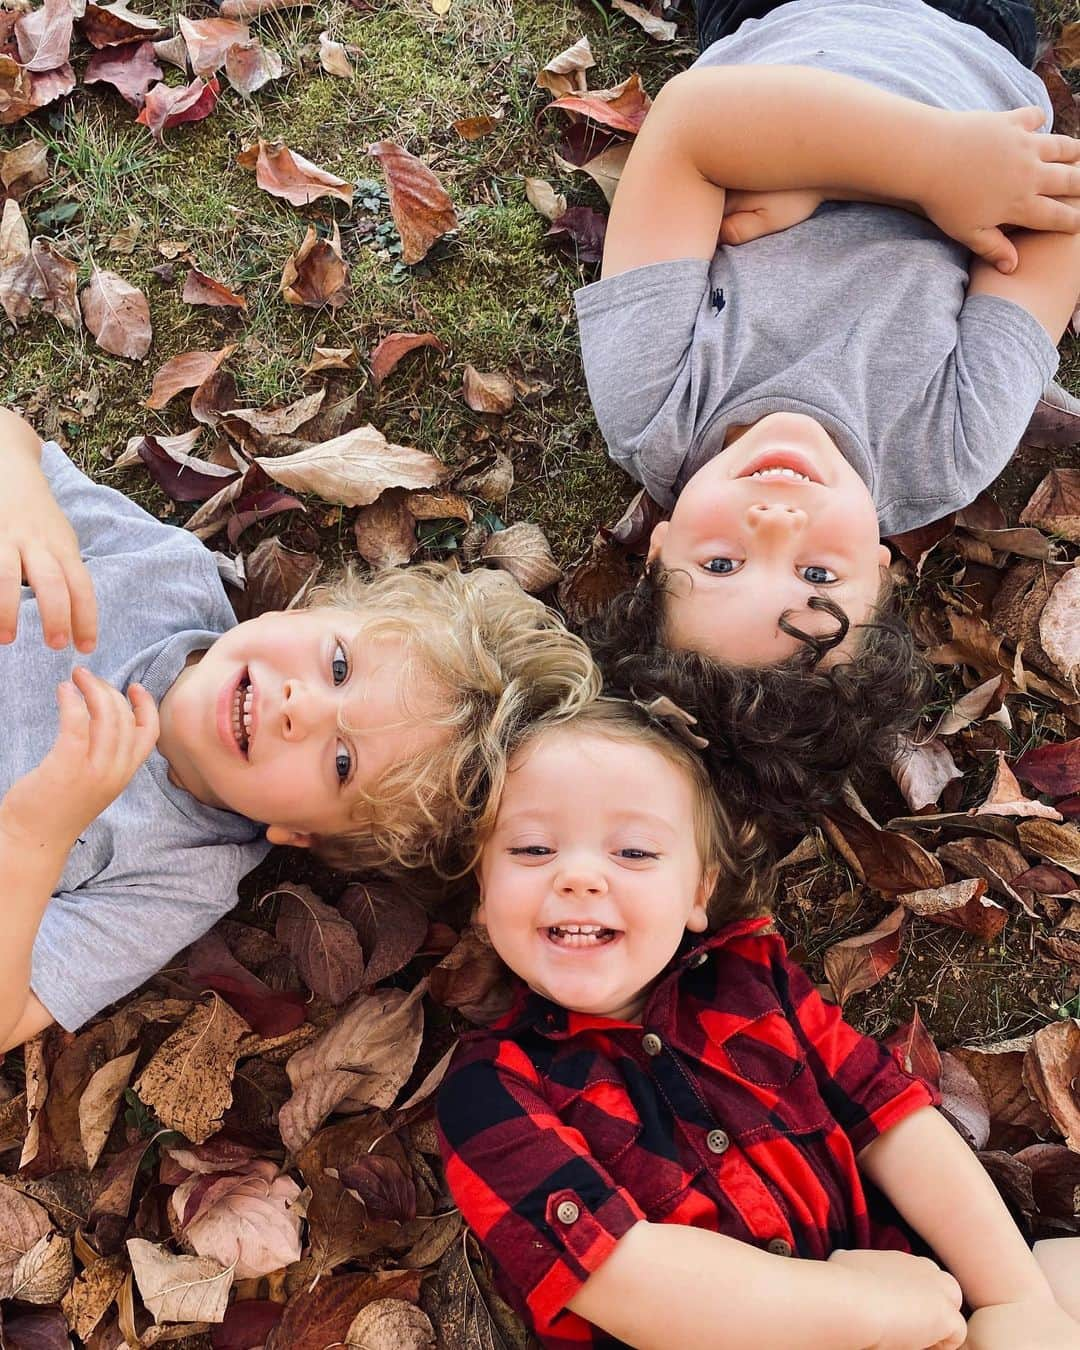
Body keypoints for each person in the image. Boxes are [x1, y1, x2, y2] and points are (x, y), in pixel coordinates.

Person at [437, 696, 1080, 1350]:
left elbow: (889, 1119)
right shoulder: (487, 1094)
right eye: (532, 847)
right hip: (829, 1316)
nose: (577, 876)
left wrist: (1012, 1297)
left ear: (697, 894)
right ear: (484, 896)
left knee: (1061, 1275)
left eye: (632, 851)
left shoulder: (753, 980)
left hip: (910, 1290)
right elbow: (629, 1282)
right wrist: (864, 1307)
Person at [574, 0, 1080, 823]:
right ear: (882, 572)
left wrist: (917, 176)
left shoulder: (653, 399)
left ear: (659, 544)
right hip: (971, 34)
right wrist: (905, 179)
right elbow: (1056, 206)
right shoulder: (947, 444)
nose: (775, 521)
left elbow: (692, 126)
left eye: (721, 566)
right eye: (818, 578)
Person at [0, 407, 600, 1051]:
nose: (299, 707)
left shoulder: (179, 878)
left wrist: (32, 840)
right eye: (338, 665)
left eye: (342, 761)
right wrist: (21, 495)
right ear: (314, 608)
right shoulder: (162, 576)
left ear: (300, 835)